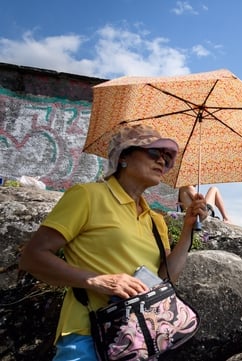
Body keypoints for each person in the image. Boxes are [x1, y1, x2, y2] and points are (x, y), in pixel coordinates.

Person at [18, 124, 208, 361]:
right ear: (124, 156)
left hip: (139, 341)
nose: (162, 161)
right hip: (87, 336)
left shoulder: (155, 220)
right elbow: (33, 257)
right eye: (153, 152)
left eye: (167, 157)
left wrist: (188, 230)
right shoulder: (87, 196)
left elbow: (165, 278)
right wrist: (100, 281)